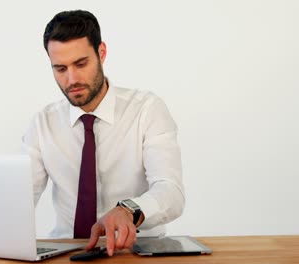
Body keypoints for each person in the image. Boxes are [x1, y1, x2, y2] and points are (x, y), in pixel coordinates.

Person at [22, 10, 185, 257]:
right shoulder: (43, 123)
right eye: (60, 68)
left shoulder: (147, 110)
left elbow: (171, 192)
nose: (72, 79)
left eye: (81, 64)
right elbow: (20, 198)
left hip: (133, 251)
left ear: (102, 53)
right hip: (66, 252)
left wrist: (128, 209)